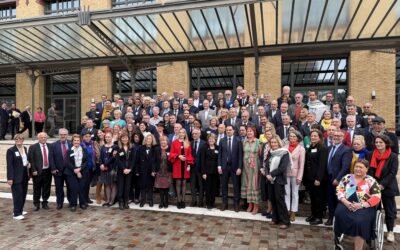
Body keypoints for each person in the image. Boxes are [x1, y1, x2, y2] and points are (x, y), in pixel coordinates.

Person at [335, 159, 381, 250]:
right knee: (338, 213)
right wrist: (345, 202)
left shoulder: (371, 180)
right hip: (347, 203)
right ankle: (340, 235)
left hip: (365, 207)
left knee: (359, 222)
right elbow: (339, 190)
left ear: (367, 169)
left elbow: (376, 197)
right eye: (356, 167)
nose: (358, 169)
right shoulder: (347, 178)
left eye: (361, 167)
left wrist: (362, 205)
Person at [366, 135, 399, 242]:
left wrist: (382, 184)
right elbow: (369, 169)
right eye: (376, 142)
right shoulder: (370, 154)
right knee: (374, 208)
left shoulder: (393, 156)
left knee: (390, 210)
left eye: (381, 142)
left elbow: (392, 172)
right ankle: (374, 228)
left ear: (386, 143)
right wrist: (374, 184)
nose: (378, 144)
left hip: (387, 186)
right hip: (374, 185)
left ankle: (390, 231)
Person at [325, 129, 352, 226]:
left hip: (338, 180)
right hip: (328, 178)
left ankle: (339, 219)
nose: (336, 137)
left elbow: (345, 167)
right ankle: (331, 217)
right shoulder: (328, 148)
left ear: (343, 138)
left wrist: (338, 179)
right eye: (334, 135)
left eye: (338, 136)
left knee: (339, 200)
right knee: (330, 199)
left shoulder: (346, 150)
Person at [265, 136, 291, 229]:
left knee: (280, 200)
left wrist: (271, 174)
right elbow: (266, 164)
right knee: (273, 199)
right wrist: (267, 174)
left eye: (275, 142)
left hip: (279, 180)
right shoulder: (271, 153)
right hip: (270, 180)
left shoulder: (284, 153)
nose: (273, 144)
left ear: (279, 143)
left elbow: (282, 168)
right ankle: (275, 218)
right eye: (271, 142)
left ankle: (285, 221)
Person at [304, 129, 328, 225]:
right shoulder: (310, 147)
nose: (313, 137)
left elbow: (322, 165)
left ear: (320, 137)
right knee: (313, 198)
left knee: (318, 198)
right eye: (312, 136)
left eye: (315, 136)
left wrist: (318, 179)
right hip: (310, 178)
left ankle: (319, 217)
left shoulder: (322, 148)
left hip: (318, 179)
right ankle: (313, 214)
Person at [218, 125, 243, 212]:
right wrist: (219, 166)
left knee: (236, 186)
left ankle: (236, 204)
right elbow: (220, 154)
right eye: (227, 130)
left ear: (233, 131)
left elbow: (240, 155)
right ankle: (224, 203)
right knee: (224, 185)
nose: (228, 131)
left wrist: (240, 167)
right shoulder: (222, 140)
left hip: (235, 167)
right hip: (224, 167)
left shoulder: (238, 140)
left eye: (230, 130)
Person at [169, 128, 194, 209]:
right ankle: (178, 201)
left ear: (185, 134)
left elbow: (190, 155)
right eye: (180, 132)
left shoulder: (188, 143)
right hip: (177, 164)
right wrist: (178, 156)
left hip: (185, 165)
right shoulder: (174, 142)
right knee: (178, 183)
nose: (182, 134)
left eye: (183, 132)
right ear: (178, 133)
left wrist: (189, 165)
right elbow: (171, 154)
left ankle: (183, 200)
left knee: (184, 183)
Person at [28, 132, 53, 211]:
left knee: (46, 188)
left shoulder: (50, 146)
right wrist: (33, 170)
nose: (43, 139)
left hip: (48, 171)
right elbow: (31, 159)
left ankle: (45, 203)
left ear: (46, 138)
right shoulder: (33, 147)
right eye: (41, 137)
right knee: (37, 188)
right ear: (38, 138)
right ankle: (36, 204)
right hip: (37, 171)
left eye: (44, 137)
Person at [6, 134, 29, 220]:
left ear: (23, 140)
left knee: (23, 193)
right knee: (17, 195)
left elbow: (25, 160)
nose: (18, 140)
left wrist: (28, 164)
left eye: (20, 139)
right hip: (15, 176)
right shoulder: (11, 150)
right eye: (16, 139)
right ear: (14, 140)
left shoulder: (25, 148)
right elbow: (10, 165)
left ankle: (20, 209)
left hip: (24, 174)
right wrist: (10, 178)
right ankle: (16, 213)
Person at [241, 126, 262, 215]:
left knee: (254, 185)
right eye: (248, 131)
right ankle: (250, 204)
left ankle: (256, 206)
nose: (249, 133)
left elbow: (261, 155)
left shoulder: (258, 142)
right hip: (245, 166)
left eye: (251, 131)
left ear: (254, 132)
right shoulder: (244, 142)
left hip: (254, 166)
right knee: (247, 184)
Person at [284, 131, 305, 222]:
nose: (292, 138)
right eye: (290, 136)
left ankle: (293, 212)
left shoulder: (301, 149)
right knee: (286, 192)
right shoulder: (285, 147)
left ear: (297, 138)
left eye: (294, 136)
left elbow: (302, 164)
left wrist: (299, 177)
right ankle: (287, 210)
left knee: (295, 193)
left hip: (295, 174)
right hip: (286, 173)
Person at [50, 128, 72, 210]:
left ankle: (71, 201)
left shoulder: (71, 144)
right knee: (59, 188)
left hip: (70, 170)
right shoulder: (53, 145)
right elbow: (51, 158)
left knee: (70, 187)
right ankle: (59, 203)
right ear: (58, 135)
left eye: (64, 134)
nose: (63, 136)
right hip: (58, 171)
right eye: (61, 134)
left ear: (67, 135)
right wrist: (53, 168)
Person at [136, 133, 159, 208]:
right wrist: (137, 171)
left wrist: (153, 170)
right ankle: (143, 200)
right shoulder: (140, 148)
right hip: (142, 170)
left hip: (151, 170)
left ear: (152, 140)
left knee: (150, 186)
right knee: (142, 186)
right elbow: (137, 160)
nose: (148, 140)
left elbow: (155, 161)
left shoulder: (155, 149)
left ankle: (150, 200)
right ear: (145, 140)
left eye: (150, 139)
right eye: (147, 139)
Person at [66, 134, 87, 211]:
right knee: (73, 188)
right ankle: (73, 204)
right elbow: (68, 162)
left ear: (80, 141)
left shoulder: (84, 150)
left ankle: (82, 203)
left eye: (78, 140)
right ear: (72, 141)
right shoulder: (69, 150)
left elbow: (86, 161)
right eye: (75, 140)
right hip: (71, 172)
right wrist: (75, 170)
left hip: (82, 171)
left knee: (81, 188)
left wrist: (80, 169)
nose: (76, 142)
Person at [115, 132, 134, 210]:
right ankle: (121, 202)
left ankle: (126, 202)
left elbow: (133, 159)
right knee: (121, 187)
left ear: (128, 139)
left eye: (126, 138)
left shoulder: (132, 148)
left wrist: (129, 169)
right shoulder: (118, 148)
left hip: (129, 171)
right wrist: (124, 169)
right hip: (121, 171)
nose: (124, 139)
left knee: (127, 187)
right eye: (123, 138)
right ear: (120, 139)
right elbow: (117, 160)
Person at [99, 132, 118, 207]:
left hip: (112, 168)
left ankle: (112, 201)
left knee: (113, 185)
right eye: (106, 137)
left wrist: (105, 164)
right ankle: (108, 200)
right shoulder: (103, 146)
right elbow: (100, 157)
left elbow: (113, 158)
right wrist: (101, 164)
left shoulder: (115, 147)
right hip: (104, 169)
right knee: (106, 185)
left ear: (112, 137)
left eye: (109, 137)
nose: (107, 138)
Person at [200, 134, 219, 209]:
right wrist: (203, 172)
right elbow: (202, 161)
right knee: (208, 188)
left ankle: (212, 202)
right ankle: (208, 203)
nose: (211, 140)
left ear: (215, 140)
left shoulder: (218, 147)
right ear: (208, 140)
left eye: (213, 139)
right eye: (210, 139)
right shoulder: (204, 148)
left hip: (215, 172)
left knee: (214, 188)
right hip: (207, 172)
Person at [154, 136, 172, 209]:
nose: (163, 142)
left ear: (167, 141)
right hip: (159, 170)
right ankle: (161, 201)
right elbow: (154, 160)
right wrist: (154, 170)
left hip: (167, 170)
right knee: (160, 187)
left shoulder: (170, 148)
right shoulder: (157, 149)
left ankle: (166, 201)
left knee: (167, 187)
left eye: (164, 140)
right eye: (162, 141)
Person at [190, 128, 206, 207]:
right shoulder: (190, 143)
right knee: (192, 185)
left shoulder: (204, 143)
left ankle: (200, 202)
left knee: (201, 186)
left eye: (196, 133)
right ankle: (193, 201)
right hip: (192, 168)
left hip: (201, 168)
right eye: (193, 134)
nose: (194, 135)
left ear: (199, 134)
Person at [80, 131, 97, 205]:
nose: (87, 138)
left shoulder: (92, 144)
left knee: (87, 185)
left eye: (89, 136)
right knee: (83, 185)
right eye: (86, 136)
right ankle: (83, 200)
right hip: (83, 168)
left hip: (91, 168)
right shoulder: (81, 145)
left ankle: (87, 198)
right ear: (83, 137)